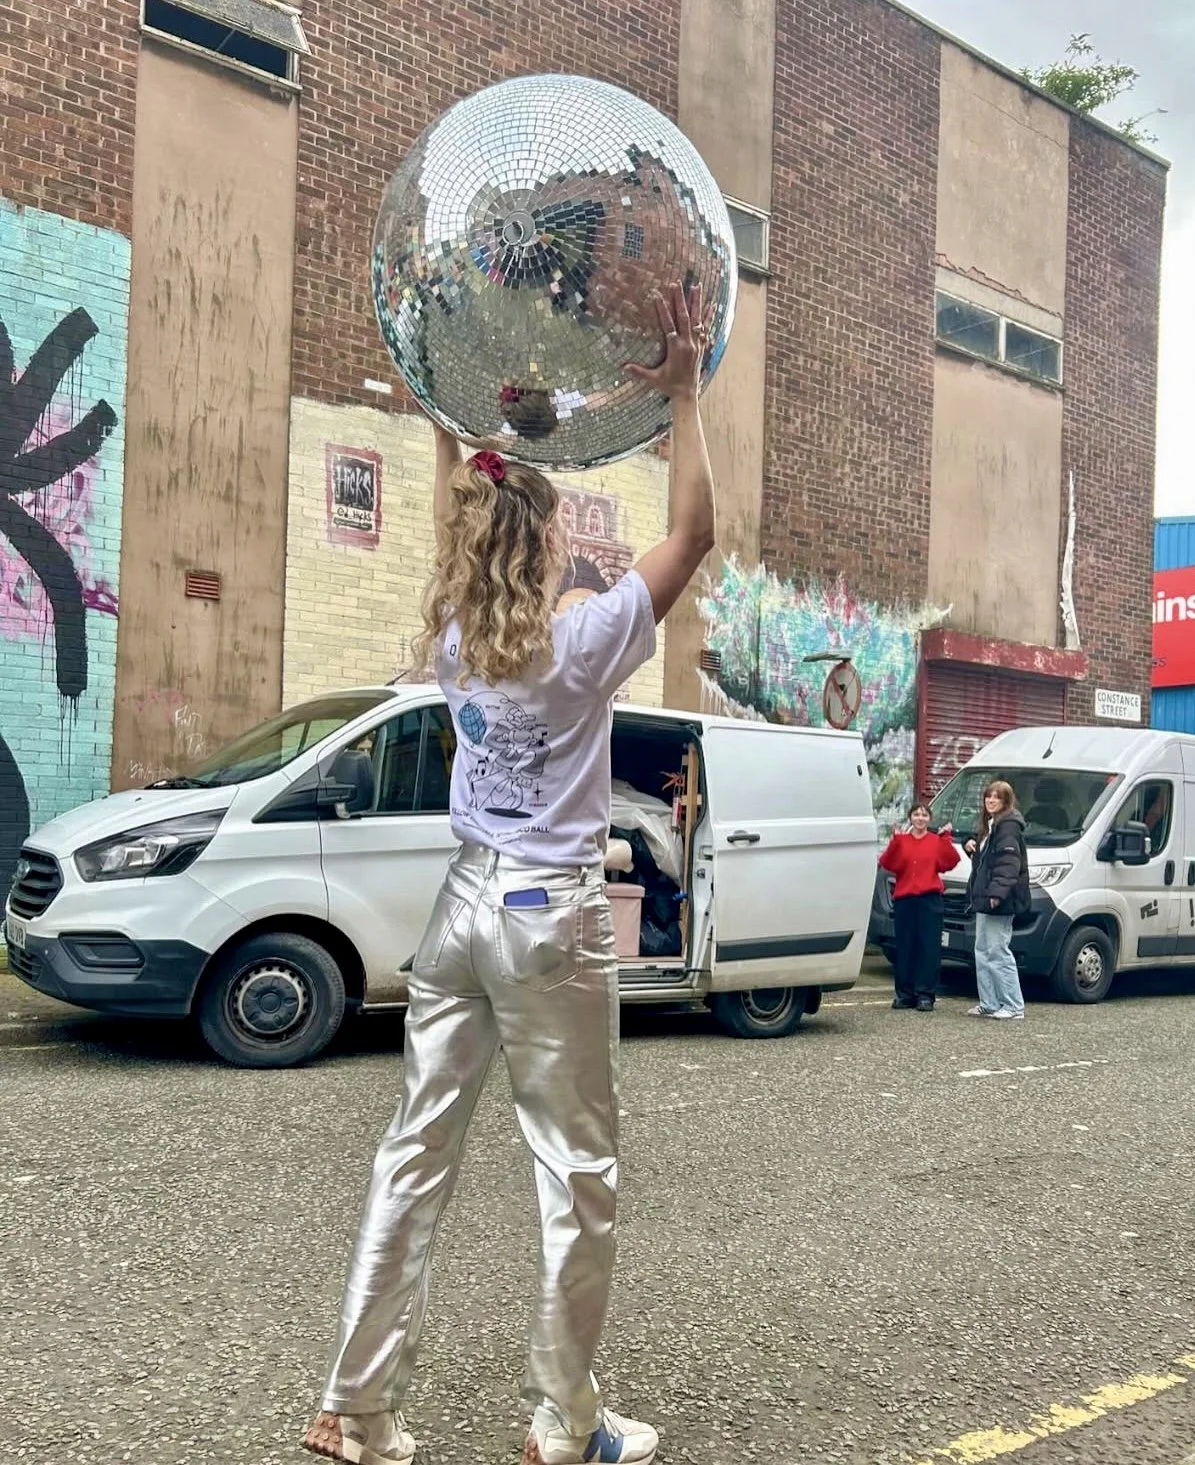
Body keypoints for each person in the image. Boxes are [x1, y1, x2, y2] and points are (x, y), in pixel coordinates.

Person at [302, 282, 714, 1465]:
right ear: (541, 543)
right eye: (566, 534)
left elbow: (458, 516)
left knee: (415, 1151)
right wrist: (683, 394)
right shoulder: (579, 645)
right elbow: (694, 535)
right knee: (576, 1171)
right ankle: (566, 1423)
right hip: (550, 916)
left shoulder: (454, 641)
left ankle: (354, 1406)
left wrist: (445, 414)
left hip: (462, 904)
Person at [877, 802, 959, 1011]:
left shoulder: (935, 841)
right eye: (916, 814)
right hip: (905, 900)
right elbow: (888, 863)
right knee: (905, 947)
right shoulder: (902, 841)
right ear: (911, 818)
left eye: (924, 815)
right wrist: (895, 841)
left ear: (929, 819)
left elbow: (949, 862)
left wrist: (946, 840)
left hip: (929, 900)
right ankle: (904, 994)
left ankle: (925, 994)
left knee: (928, 948)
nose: (920, 818)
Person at [963, 780, 1030, 1020]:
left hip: (998, 901)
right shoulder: (990, 826)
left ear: (1006, 801)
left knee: (998, 951)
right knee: (982, 950)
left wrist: (996, 894)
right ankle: (989, 1002)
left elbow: (1008, 864)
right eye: (988, 797)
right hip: (985, 899)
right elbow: (987, 859)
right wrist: (970, 846)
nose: (991, 801)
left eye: (996, 797)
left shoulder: (1008, 827)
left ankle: (1013, 1006)